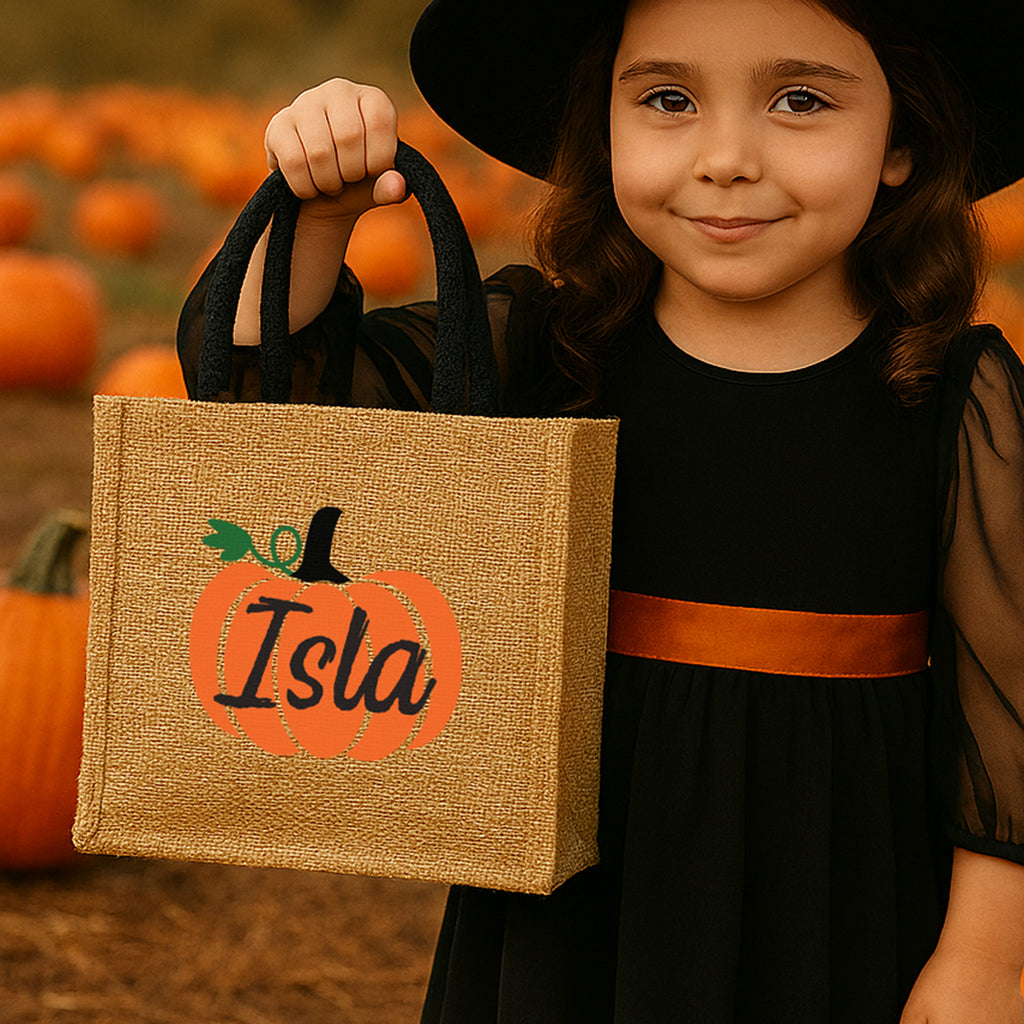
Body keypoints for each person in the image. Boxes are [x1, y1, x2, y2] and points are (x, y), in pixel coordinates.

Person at [177, 0, 1024, 1019]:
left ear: (903, 141)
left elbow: (1005, 709)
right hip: (571, 898)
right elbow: (262, 398)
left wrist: (986, 958)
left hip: (833, 900)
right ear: (604, 126)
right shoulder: (544, 347)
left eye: (799, 100)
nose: (724, 156)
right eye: (667, 98)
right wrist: (316, 215)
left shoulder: (950, 394)